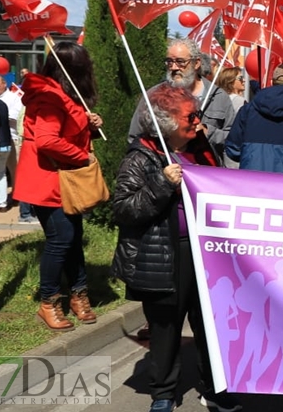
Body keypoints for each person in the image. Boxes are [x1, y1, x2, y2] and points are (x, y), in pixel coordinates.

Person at [111, 83, 241, 412]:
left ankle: (215, 388)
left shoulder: (200, 151)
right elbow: (124, 209)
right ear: (167, 123)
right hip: (164, 257)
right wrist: (161, 184)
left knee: (209, 325)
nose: (198, 123)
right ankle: (164, 393)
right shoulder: (140, 159)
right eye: (191, 117)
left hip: (204, 253)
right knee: (166, 329)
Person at [13, 42, 104, 331]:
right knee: (61, 238)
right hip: (47, 179)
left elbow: (66, 130)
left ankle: (78, 295)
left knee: (73, 237)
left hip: (61, 178)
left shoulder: (62, 94)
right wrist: (82, 156)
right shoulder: (50, 97)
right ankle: (48, 301)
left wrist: (90, 126)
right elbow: (47, 140)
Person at [129, 39, 235, 159]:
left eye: (180, 61)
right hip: (164, 172)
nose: (174, 67)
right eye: (169, 61)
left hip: (205, 173)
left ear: (196, 63)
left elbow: (234, 140)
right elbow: (135, 137)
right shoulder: (154, 96)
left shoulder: (218, 97)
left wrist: (208, 132)